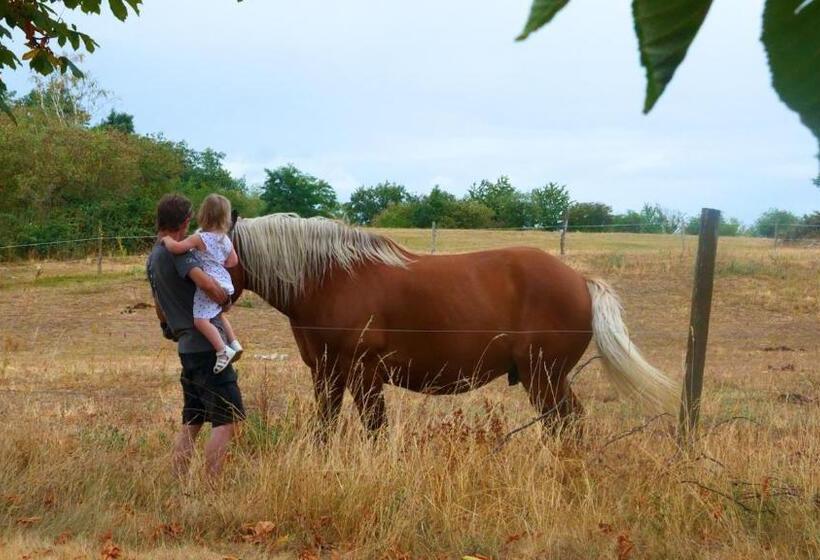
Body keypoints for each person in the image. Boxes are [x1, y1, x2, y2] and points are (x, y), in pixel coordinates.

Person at [146, 193, 245, 479]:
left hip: (187, 348)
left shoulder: (153, 257)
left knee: (193, 420)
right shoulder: (182, 254)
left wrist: (177, 327)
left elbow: (159, 308)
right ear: (186, 220)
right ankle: (211, 486)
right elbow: (209, 286)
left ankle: (177, 481)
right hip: (207, 349)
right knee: (227, 421)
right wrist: (224, 300)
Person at [162, 194, 243, 373]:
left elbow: (177, 249)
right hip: (225, 282)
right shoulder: (225, 239)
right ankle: (235, 343)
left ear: (203, 215)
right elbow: (233, 262)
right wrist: (218, 262)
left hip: (210, 282)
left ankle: (222, 350)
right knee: (219, 314)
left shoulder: (200, 238)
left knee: (200, 320)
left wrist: (167, 240)